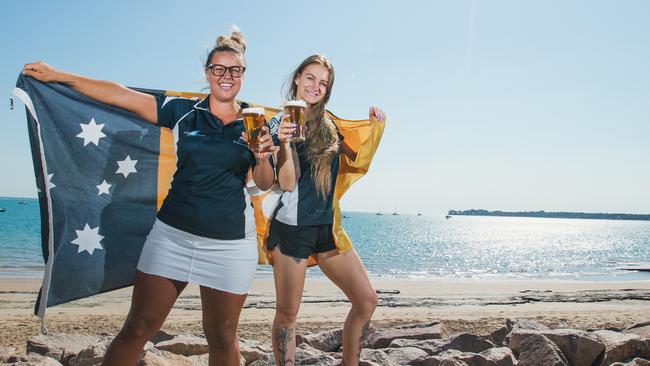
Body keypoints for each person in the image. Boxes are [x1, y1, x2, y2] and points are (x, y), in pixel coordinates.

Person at [22, 29, 293, 366]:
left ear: (242, 75)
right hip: (172, 238)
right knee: (138, 327)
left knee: (222, 339)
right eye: (218, 69)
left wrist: (262, 155)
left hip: (229, 246)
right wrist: (59, 75)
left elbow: (264, 182)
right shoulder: (180, 110)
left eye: (234, 70)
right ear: (207, 73)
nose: (226, 76)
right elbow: (121, 95)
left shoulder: (256, 120)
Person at [267, 54, 386, 366]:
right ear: (297, 78)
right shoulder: (280, 123)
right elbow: (286, 184)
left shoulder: (329, 123)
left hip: (327, 228)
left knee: (366, 300)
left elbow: (354, 159)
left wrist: (375, 131)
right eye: (310, 78)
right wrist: (285, 144)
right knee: (288, 312)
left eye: (323, 83)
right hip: (291, 229)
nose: (315, 86)